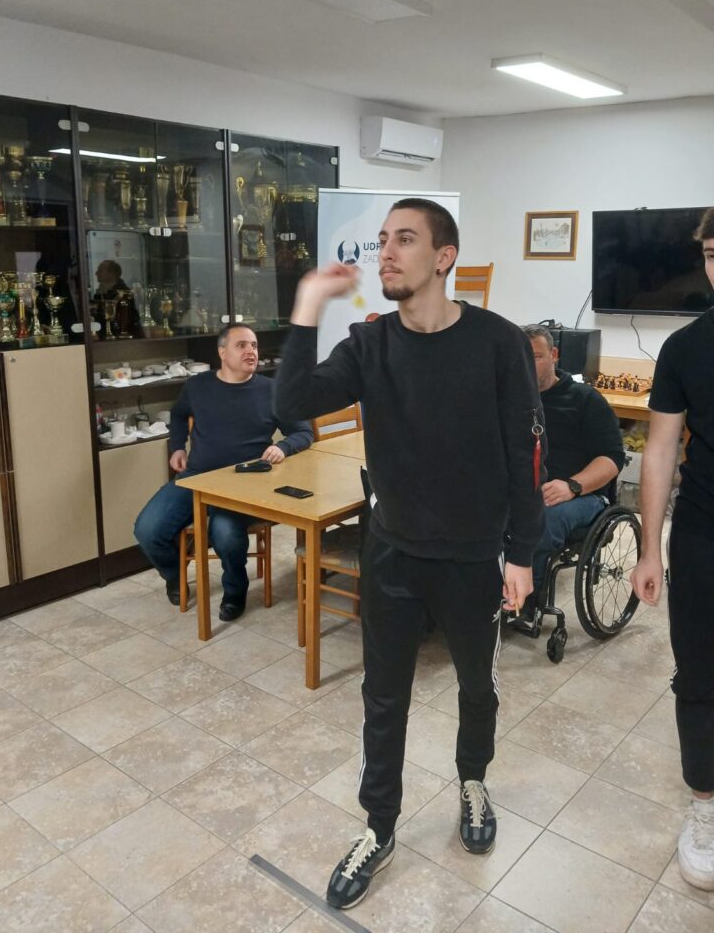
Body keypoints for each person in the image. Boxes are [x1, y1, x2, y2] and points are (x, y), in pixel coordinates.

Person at [274, 197, 545, 910]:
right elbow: (291, 401)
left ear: (444, 257)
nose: (386, 254)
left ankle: (473, 781)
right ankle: (379, 826)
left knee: (476, 686)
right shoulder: (370, 345)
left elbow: (524, 455)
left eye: (404, 240)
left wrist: (522, 553)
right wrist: (307, 306)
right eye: (382, 241)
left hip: (473, 557)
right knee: (383, 698)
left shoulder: (498, 343)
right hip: (392, 553)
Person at [631, 206, 714, 892]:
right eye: (712, 254)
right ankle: (706, 808)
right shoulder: (685, 349)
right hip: (705, 533)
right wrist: (649, 548)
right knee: (700, 674)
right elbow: (658, 451)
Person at [134, 324, 313, 618]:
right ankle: (174, 575)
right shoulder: (197, 386)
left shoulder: (272, 391)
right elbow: (178, 415)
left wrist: (284, 447)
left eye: (254, 345)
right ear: (222, 353)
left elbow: (304, 432)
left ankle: (235, 591)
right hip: (196, 479)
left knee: (226, 535)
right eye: (241, 345)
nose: (251, 351)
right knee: (147, 530)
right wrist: (177, 447)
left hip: (244, 483)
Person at [514, 324, 624, 624]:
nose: (526, 365)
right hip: (524, 488)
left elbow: (611, 459)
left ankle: (524, 603)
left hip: (581, 494)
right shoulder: (510, 399)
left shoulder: (585, 400)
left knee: (540, 522)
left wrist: (572, 486)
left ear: (554, 355)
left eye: (536, 357)